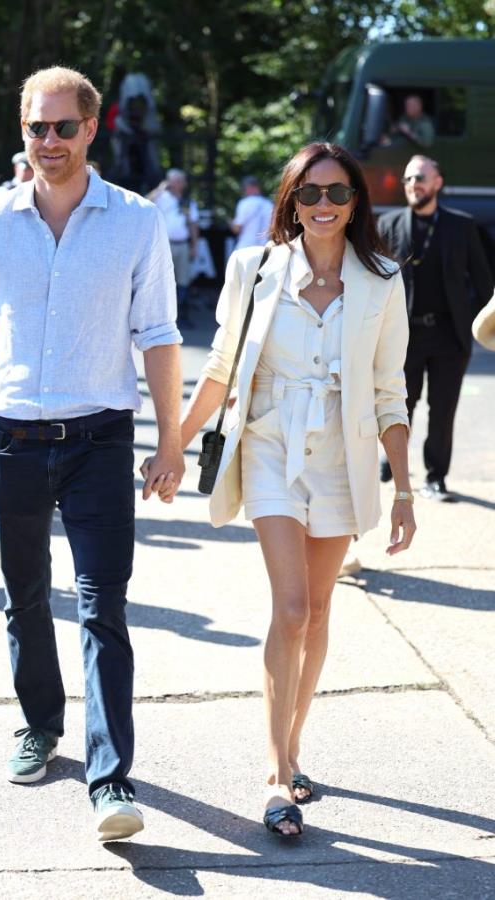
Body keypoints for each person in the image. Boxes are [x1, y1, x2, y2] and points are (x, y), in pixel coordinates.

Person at [0, 65, 184, 843]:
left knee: (103, 607)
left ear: (91, 129)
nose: (47, 141)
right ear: (22, 132)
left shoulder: (135, 219)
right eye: (34, 128)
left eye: (61, 127)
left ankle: (110, 776)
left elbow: (157, 333)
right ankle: (40, 725)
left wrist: (171, 440)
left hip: (99, 437)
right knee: (24, 599)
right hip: (10, 436)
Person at [168, 142, 415, 838]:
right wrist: (174, 447)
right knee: (293, 606)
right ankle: (276, 773)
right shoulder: (254, 269)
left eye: (336, 193)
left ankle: (294, 742)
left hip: (344, 451)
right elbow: (219, 367)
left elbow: (390, 392)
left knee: (320, 607)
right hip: (272, 443)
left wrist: (405, 492)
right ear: (290, 201)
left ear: (356, 201)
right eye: (309, 194)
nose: (323, 206)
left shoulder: (383, 277)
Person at [378, 155, 493, 500]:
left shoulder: (463, 225)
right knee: (399, 405)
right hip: (404, 336)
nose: (414, 184)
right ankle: (391, 462)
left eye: (421, 178)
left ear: (438, 183)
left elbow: (485, 281)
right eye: (409, 179)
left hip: (449, 336)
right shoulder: (389, 225)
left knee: (442, 410)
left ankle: (435, 477)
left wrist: (481, 321)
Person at [148, 169, 199, 327]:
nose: (179, 184)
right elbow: (144, 202)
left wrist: (194, 246)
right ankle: (161, 319)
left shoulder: (188, 201)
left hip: (182, 244)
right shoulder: (161, 197)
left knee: (183, 280)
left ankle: (181, 317)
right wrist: (160, 188)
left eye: (181, 181)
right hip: (165, 244)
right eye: (176, 181)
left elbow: (193, 224)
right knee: (162, 281)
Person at [230, 176, 273, 251]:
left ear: (248, 188)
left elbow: (237, 229)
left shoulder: (244, 203)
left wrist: (231, 223)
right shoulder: (268, 204)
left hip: (245, 248)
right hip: (265, 248)